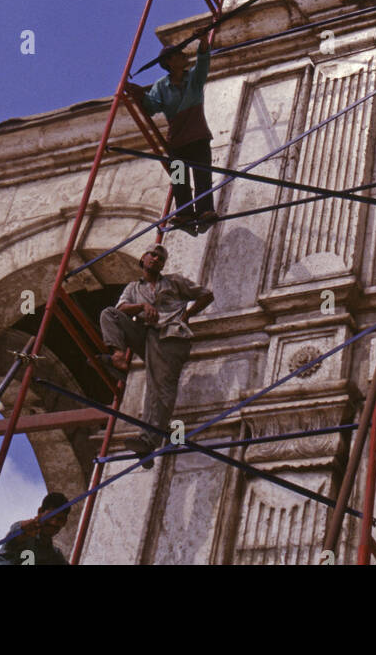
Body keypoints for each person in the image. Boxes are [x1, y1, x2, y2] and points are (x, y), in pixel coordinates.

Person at [98, 245, 213, 468]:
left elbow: (206, 295)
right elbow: (121, 308)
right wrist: (142, 306)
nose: (156, 259)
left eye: (161, 258)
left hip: (170, 337)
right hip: (147, 334)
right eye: (152, 255)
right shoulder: (133, 288)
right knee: (109, 314)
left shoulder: (174, 282)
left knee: (159, 386)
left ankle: (150, 440)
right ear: (143, 258)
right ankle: (119, 356)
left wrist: (186, 315)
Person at [127, 31, 217, 234]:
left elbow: (203, 62)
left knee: (202, 174)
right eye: (179, 54)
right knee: (179, 178)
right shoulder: (161, 86)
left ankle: (204, 211)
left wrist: (202, 40)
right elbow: (151, 107)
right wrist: (138, 94)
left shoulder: (193, 78)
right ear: (169, 61)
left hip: (198, 135)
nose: (184, 56)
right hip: (177, 140)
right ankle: (185, 212)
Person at [0, 493, 70, 566]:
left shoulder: (55, 555)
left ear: (65, 522)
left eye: (60, 519)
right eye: (51, 516)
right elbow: (17, 533)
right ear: (40, 512)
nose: (54, 522)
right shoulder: (26, 533)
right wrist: (23, 529)